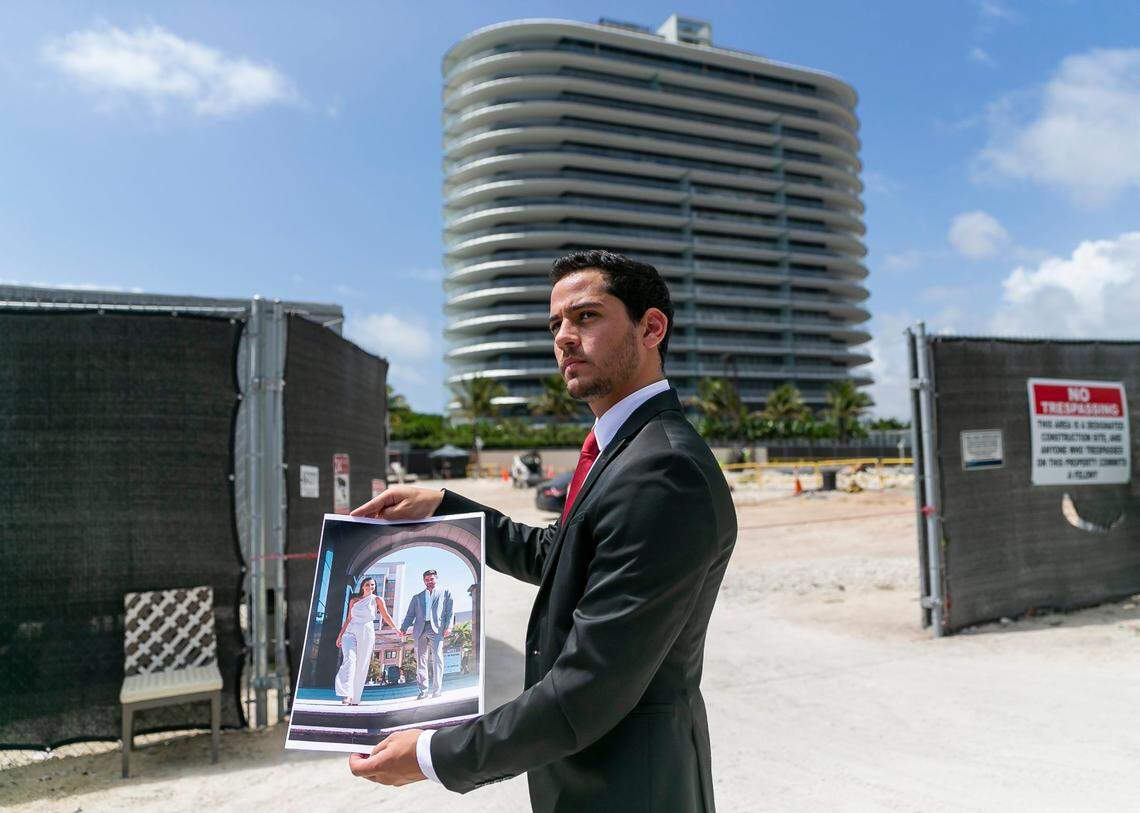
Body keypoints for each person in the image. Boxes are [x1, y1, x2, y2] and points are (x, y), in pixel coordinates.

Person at [348, 250, 737, 812]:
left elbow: (590, 684)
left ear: (651, 328)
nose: (564, 338)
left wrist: (434, 755)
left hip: (629, 786)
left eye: (586, 317)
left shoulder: (662, 469)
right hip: (592, 775)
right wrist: (445, 507)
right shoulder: (622, 449)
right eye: (555, 324)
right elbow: (558, 553)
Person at [334, 576, 398, 705]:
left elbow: (386, 615)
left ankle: (355, 697)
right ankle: (347, 694)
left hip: (366, 631)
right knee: (349, 660)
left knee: (361, 664)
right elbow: (348, 619)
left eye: (373, 585)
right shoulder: (354, 600)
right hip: (350, 632)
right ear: (362, 586)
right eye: (367, 584)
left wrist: (396, 628)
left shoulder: (377, 600)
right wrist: (340, 635)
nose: (370, 587)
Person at [398, 569, 454, 700]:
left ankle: (437, 690)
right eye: (427, 580)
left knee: (438, 658)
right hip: (420, 629)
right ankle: (423, 691)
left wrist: (449, 627)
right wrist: (403, 628)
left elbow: (450, 612)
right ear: (424, 581)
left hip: (437, 629)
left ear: (436, 579)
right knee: (421, 661)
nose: (429, 582)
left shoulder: (445, 593)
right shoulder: (417, 597)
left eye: (432, 579)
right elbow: (410, 615)